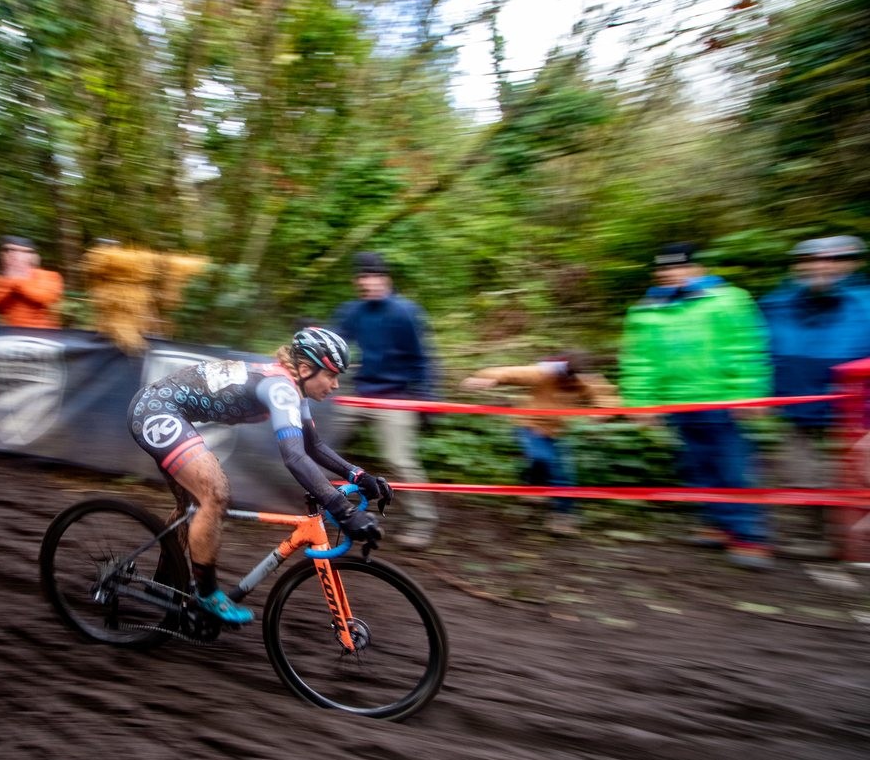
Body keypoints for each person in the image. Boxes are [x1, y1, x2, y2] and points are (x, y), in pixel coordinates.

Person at [129, 327, 392, 623]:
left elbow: (313, 446)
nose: (335, 385)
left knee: (193, 506)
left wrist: (358, 475)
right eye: (331, 375)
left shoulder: (294, 387)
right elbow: (294, 457)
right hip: (157, 410)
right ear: (305, 369)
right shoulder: (281, 387)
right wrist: (343, 511)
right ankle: (206, 594)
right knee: (215, 494)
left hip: (168, 409)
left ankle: (165, 584)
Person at [619, 242, 773, 570]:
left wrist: (749, 394)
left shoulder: (729, 300)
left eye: (680, 267)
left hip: (722, 401)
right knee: (694, 467)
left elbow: (746, 349)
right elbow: (639, 360)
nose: (672, 274)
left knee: (733, 468)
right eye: (665, 269)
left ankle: (749, 536)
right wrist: (642, 403)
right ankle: (715, 523)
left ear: (697, 268)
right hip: (677, 403)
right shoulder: (646, 310)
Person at [761, 235, 870, 558]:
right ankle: (810, 536)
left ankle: (856, 542)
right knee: (799, 473)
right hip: (796, 403)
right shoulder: (775, 303)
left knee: (860, 474)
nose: (823, 266)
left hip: (858, 408)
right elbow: (760, 350)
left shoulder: (865, 301)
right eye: (812, 260)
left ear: (853, 263)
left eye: (834, 260)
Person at [331, 251, 440, 551]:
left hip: (396, 395)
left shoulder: (405, 312)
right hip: (361, 393)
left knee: (399, 459)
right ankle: (312, 499)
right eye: (363, 277)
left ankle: (423, 521)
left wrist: (429, 398)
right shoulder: (352, 311)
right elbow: (333, 343)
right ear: (357, 281)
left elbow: (425, 359)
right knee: (319, 434)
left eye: (375, 276)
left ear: (386, 279)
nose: (369, 283)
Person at [460, 351, 619, 535]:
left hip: (557, 430)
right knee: (541, 458)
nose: (574, 380)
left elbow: (605, 395)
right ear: (565, 369)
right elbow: (512, 373)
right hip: (530, 425)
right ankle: (533, 484)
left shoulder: (586, 379)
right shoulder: (545, 372)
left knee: (561, 471)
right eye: (571, 375)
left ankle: (563, 515)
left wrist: (602, 411)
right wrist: (489, 378)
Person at [0, 235, 63, 328]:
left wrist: (16, 282)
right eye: (9, 251)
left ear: (31, 256)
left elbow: (46, 297)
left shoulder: (47, 275)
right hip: (10, 333)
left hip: (42, 334)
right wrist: (7, 281)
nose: (15, 256)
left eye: (23, 252)